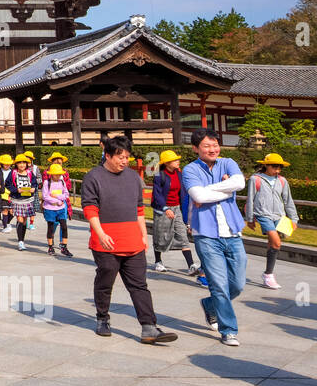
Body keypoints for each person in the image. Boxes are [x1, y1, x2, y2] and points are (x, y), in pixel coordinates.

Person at [83, 134, 177, 344]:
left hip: (133, 240)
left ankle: (149, 327)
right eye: (120, 157)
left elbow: (139, 209)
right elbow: (90, 208)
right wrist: (100, 233)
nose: (125, 161)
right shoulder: (93, 177)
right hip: (106, 241)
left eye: (127, 157)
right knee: (106, 281)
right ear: (107, 155)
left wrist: (143, 234)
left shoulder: (134, 177)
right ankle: (102, 318)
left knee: (139, 285)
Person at [182, 128, 248, 346]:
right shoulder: (190, 170)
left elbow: (239, 183)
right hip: (207, 236)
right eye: (206, 146)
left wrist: (210, 190)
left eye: (215, 145)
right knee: (219, 284)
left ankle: (210, 305)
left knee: (237, 284)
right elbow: (198, 196)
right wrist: (225, 189)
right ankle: (228, 330)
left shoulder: (228, 162)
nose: (213, 149)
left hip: (232, 232)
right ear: (195, 149)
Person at [245, 152, 299, 291]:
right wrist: (250, 218)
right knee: (276, 242)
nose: (278, 170)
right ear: (266, 165)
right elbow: (250, 199)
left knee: (271, 244)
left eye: (280, 167)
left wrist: (293, 218)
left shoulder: (282, 180)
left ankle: (267, 274)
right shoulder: (255, 179)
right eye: (275, 166)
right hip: (263, 215)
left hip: (279, 216)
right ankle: (269, 274)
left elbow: (288, 200)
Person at [150, 149, 199, 277]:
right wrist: (165, 208)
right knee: (161, 235)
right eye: (175, 160)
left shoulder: (179, 174)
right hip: (162, 209)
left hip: (176, 208)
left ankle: (191, 265)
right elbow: (157, 194)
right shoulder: (159, 175)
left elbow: (183, 192)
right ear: (167, 163)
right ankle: (158, 261)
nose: (178, 162)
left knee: (182, 234)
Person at [41, 162, 74, 257]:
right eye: (56, 174)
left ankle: (64, 247)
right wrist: (55, 201)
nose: (58, 176)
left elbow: (66, 194)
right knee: (50, 227)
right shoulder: (47, 183)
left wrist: (57, 196)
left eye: (60, 174)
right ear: (51, 174)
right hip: (50, 208)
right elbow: (45, 196)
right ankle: (50, 247)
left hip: (61, 208)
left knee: (64, 226)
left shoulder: (62, 182)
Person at [6, 153, 38, 251]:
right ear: (16, 164)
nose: (22, 165)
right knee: (20, 220)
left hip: (28, 200)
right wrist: (16, 190)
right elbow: (7, 184)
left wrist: (33, 188)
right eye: (20, 163)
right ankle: (20, 242)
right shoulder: (13, 173)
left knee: (24, 221)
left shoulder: (30, 173)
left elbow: (35, 183)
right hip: (17, 200)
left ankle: (22, 240)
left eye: (24, 163)